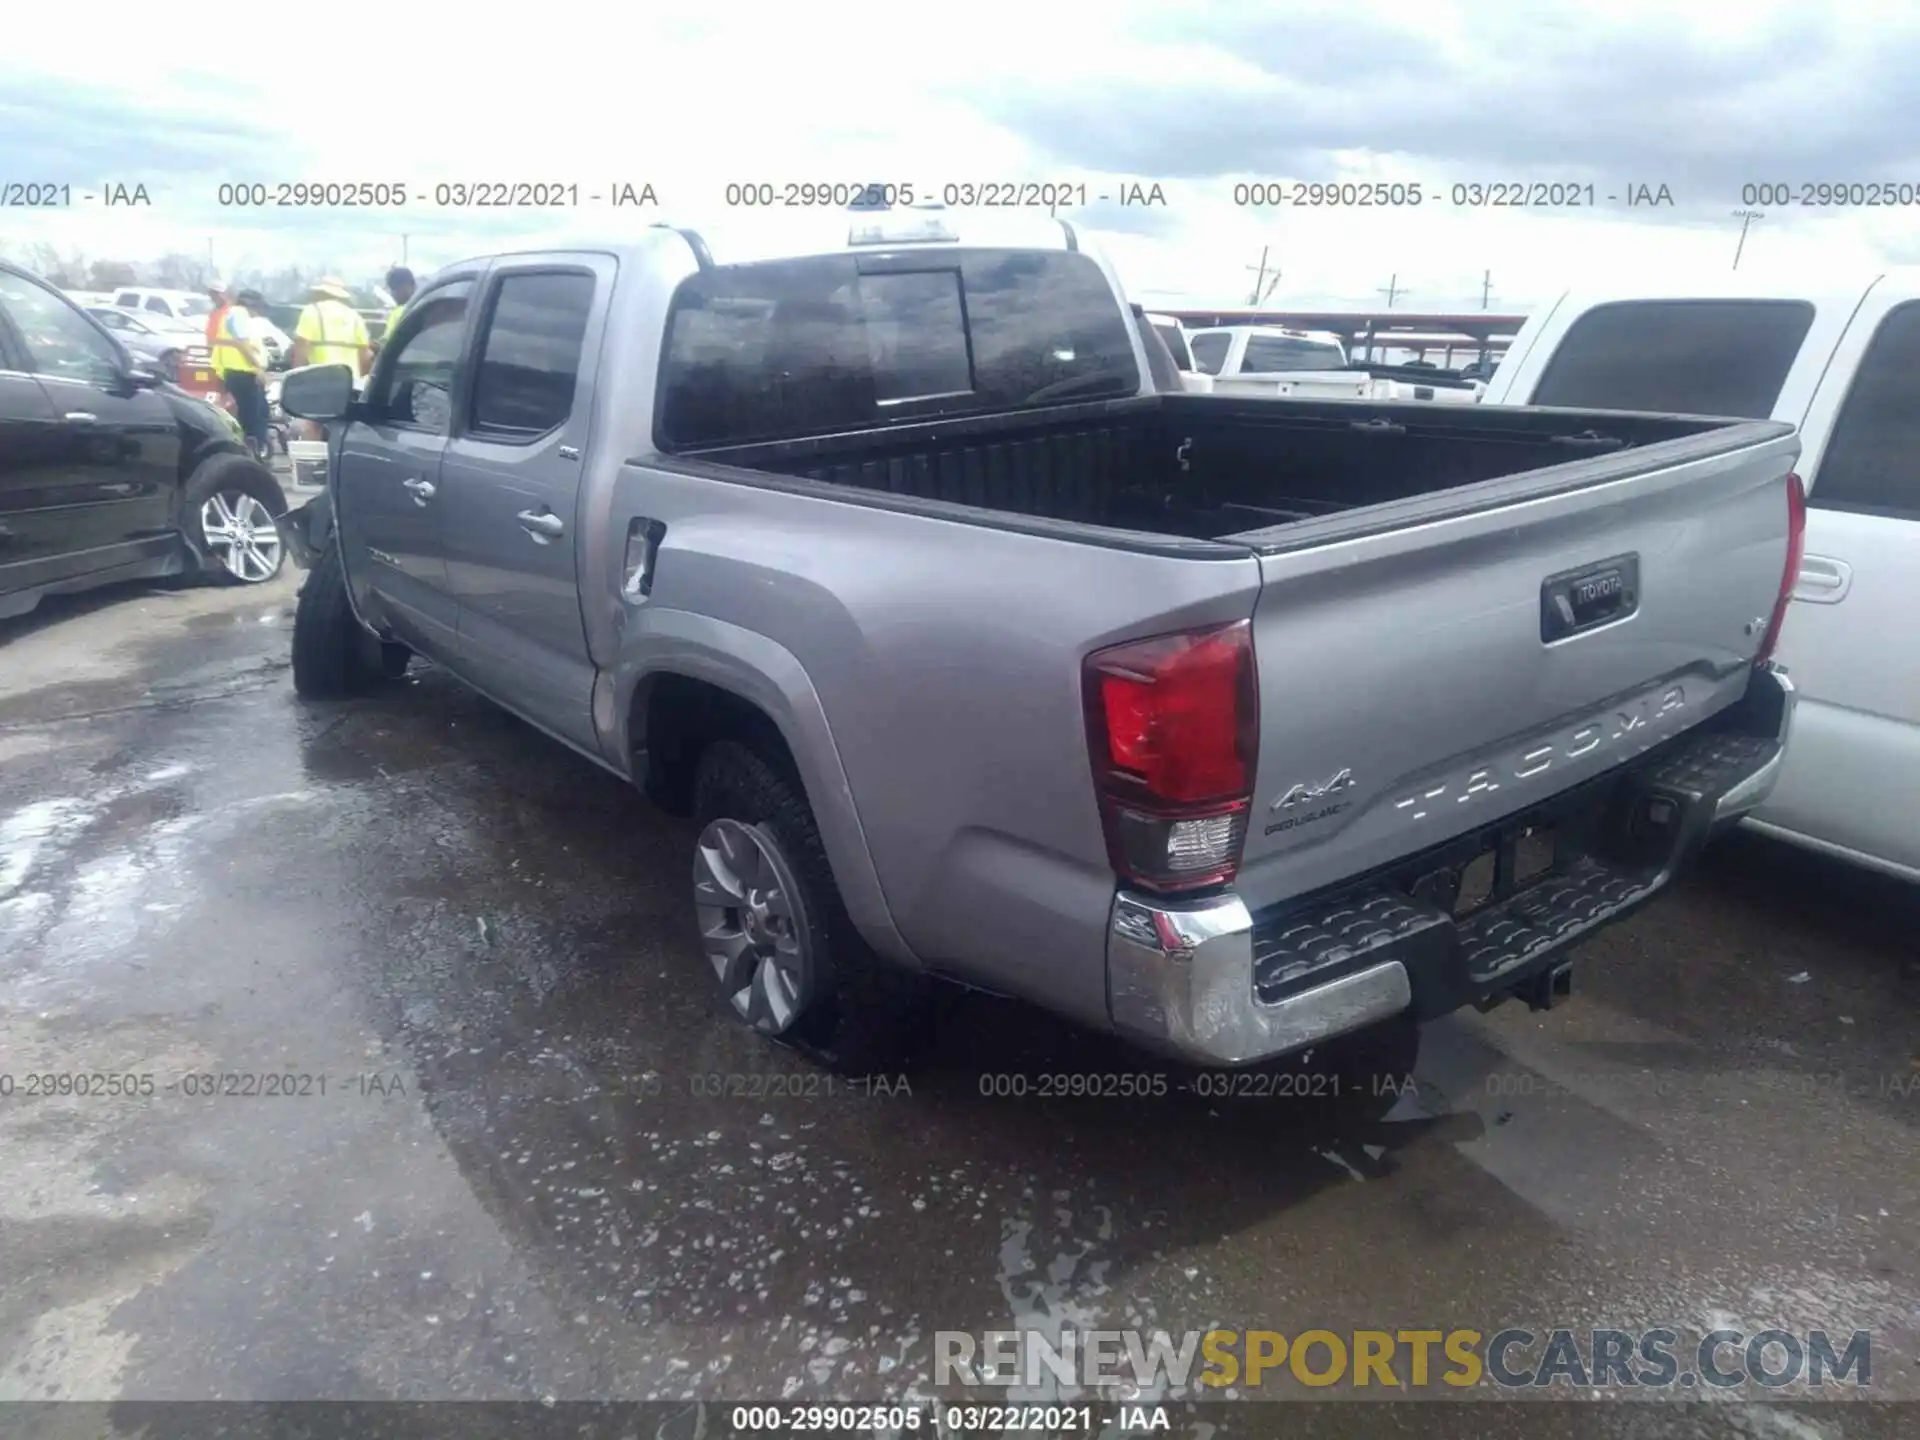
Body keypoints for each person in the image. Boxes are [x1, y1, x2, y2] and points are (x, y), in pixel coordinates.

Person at [289, 277, 372, 440]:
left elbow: (301, 347)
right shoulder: (355, 317)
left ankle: (315, 460)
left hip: (320, 378)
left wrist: (297, 375)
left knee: (313, 424)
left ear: (321, 293)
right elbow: (365, 354)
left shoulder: (312, 311)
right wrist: (361, 378)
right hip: (349, 380)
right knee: (343, 424)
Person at [207, 279, 272, 459]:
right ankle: (256, 451)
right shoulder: (239, 315)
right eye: (257, 308)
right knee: (255, 415)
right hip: (242, 371)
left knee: (251, 412)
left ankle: (251, 449)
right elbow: (242, 344)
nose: (258, 312)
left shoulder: (231, 314)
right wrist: (258, 368)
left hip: (236, 370)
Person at [377, 266, 416, 356]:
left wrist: (377, 347)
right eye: (392, 289)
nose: (394, 294)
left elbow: (388, 345)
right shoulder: (423, 306)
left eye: (396, 289)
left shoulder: (400, 312)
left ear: (410, 286)